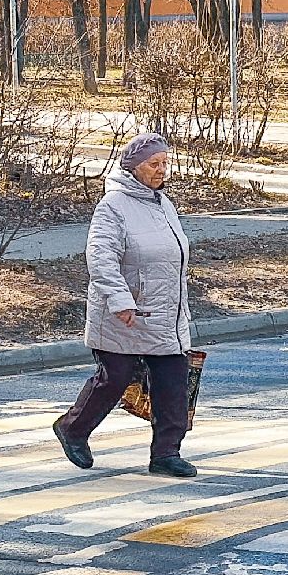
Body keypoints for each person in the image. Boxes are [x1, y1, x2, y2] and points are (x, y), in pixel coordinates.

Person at [53, 131, 198, 478]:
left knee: (173, 381)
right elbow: (101, 258)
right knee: (114, 379)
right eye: (154, 164)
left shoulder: (163, 204)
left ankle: (166, 453)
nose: (162, 170)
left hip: (164, 311)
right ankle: (73, 429)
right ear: (134, 168)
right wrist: (120, 301)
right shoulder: (113, 206)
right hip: (123, 314)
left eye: (166, 163)